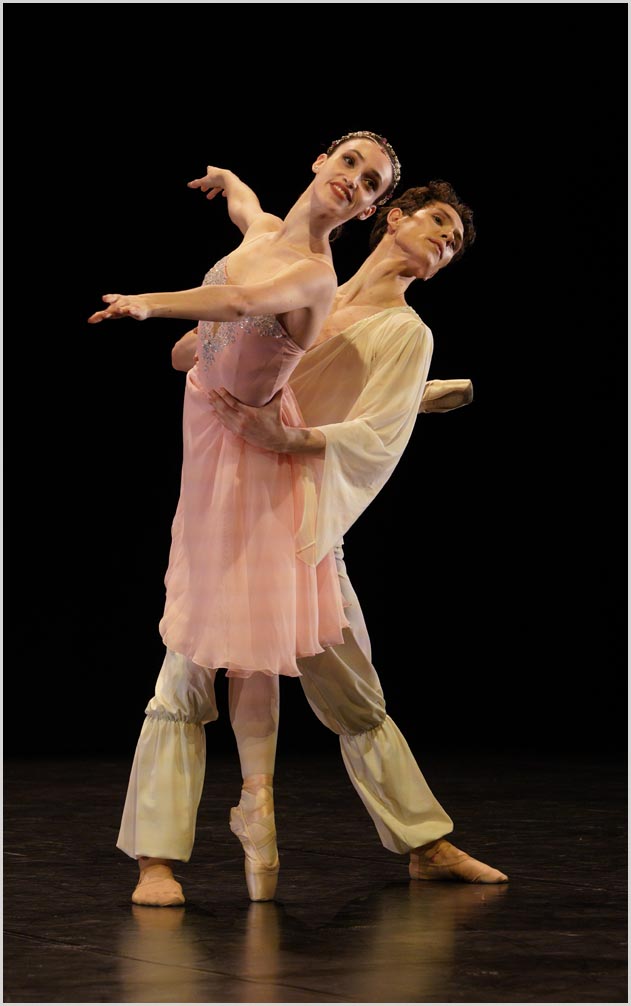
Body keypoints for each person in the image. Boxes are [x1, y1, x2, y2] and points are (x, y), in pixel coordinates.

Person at [88, 132, 402, 906]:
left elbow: (235, 303)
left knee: (235, 640)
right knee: (235, 639)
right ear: (320, 161)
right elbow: (248, 211)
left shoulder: (313, 274)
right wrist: (229, 180)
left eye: (370, 183)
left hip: (249, 458)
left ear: (369, 209)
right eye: (348, 162)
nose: (353, 180)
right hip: (212, 441)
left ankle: (240, 815)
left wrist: (150, 304)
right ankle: (252, 809)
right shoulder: (265, 233)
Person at [171, 169, 508, 890]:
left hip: (304, 516)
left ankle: (424, 842)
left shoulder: (406, 331)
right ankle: (156, 856)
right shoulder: (311, 281)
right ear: (394, 217)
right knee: (187, 671)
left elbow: (376, 433)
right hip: (235, 501)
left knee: (351, 682)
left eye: (453, 245)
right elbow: (210, 348)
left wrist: (291, 437)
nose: (444, 241)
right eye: (437, 223)